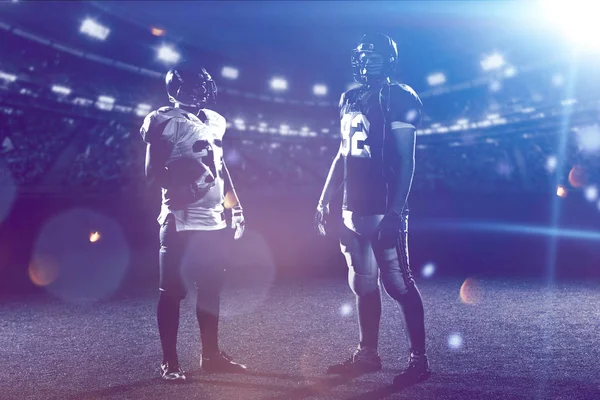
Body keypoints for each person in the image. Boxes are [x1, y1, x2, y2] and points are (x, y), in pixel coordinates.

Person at [315, 33, 430, 387]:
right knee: (362, 283)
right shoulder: (349, 97)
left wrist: (396, 211)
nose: (365, 63)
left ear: (389, 59)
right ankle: (367, 355)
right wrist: (324, 199)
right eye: (361, 56)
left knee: (397, 284)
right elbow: (342, 153)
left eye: (373, 56)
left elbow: (407, 161)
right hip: (353, 205)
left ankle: (419, 359)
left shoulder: (400, 95)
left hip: (382, 206)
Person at [140, 61, 247, 381]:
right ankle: (170, 361)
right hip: (180, 220)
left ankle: (210, 355)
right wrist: (182, 188)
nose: (204, 90)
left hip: (214, 222)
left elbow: (220, 168)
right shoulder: (162, 120)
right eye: (197, 85)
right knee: (171, 292)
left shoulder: (215, 120)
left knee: (211, 290)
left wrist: (236, 206)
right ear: (179, 88)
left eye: (205, 84)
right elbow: (151, 173)